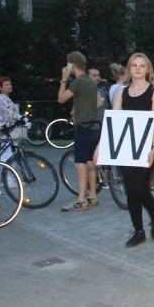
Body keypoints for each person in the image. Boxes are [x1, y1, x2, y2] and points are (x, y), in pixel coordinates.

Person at [105, 53, 154, 247]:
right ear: (129, 69)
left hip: (146, 147)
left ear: (148, 69)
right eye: (134, 65)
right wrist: (103, 146)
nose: (138, 68)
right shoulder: (121, 92)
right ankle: (139, 231)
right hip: (126, 148)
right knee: (131, 190)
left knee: (140, 187)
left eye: (142, 65)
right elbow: (114, 121)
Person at [57, 51, 103, 212]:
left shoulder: (78, 82)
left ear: (72, 65)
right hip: (94, 126)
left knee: (80, 163)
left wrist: (63, 78)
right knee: (90, 161)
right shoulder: (89, 82)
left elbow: (61, 98)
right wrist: (80, 109)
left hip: (83, 128)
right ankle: (92, 196)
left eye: (67, 65)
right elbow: (99, 101)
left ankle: (81, 199)